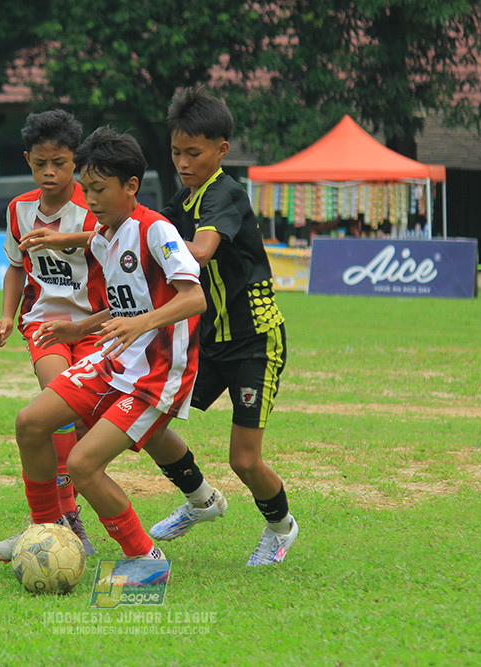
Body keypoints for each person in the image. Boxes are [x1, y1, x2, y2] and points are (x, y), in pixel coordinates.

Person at [3, 126, 206, 560]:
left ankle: (145, 559)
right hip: (115, 360)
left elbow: (194, 298)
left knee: (81, 463)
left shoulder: (157, 231)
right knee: (30, 423)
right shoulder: (105, 237)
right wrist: (80, 329)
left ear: (131, 186)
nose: (90, 201)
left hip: (157, 372)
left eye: (98, 190)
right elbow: (125, 305)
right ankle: (48, 531)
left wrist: (141, 324)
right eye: (87, 190)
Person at [147, 86, 298, 566]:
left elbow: (202, 249)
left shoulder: (225, 193)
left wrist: (154, 248)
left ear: (221, 151)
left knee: (245, 460)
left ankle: (281, 528)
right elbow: (141, 230)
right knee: (147, 423)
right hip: (210, 342)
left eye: (194, 153)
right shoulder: (184, 198)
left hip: (255, 342)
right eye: (176, 152)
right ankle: (201, 500)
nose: (183, 162)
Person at [0, 109, 106, 561]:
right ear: (28, 161)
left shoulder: (94, 205)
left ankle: (195, 491)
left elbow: (109, 243)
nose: (49, 172)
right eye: (40, 163)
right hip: (46, 326)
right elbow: (17, 268)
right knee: (55, 406)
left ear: (76, 161)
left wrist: (63, 239)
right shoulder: (19, 209)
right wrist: (7, 317)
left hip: (97, 326)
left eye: (59, 162)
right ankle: (60, 521)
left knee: (83, 422)